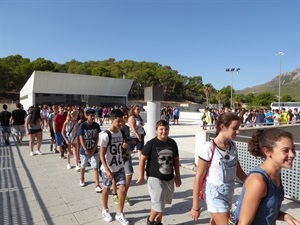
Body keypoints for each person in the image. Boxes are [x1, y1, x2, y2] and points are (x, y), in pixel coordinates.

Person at [232, 128, 300, 225]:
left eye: (293, 149)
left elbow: (265, 212)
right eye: (286, 150)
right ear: (267, 151)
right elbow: (243, 223)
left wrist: (285, 216)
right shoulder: (258, 181)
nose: (292, 154)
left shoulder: (275, 176)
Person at [190, 112, 247, 225]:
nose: (238, 131)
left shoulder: (233, 146)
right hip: (214, 195)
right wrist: (195, 206)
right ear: (222, 127)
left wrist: (253, 184)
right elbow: (198, 177)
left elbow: (238, 171)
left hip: (228, 193)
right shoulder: (209, 148)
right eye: (234, 128)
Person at [137, 119, 182, 225]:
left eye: (166, 129)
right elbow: (142, 159)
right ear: (156, 130)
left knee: (163, 201)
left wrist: (178, 176)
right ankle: (150, 221)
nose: (164, 131)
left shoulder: (172, 143)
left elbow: (176, 160)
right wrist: (141, 176)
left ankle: (158, 222)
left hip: (169, 177)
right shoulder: (151, 143)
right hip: (154, 177)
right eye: (161, 129)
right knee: (159, 203)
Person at [99, 109, 129, 225]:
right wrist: (106, 170)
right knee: (106, 188)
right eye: (119, 121)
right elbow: (102, 154)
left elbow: (118, 150)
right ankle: (105, 209)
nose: (121, 123)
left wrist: (123, 147)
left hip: (119, 165)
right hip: (109, 167)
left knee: (122, 188)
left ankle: (120, 213)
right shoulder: (106, 135)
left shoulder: (120, 133)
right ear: (112, 120)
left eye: (122, 121)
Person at [111, 109, 134, 206]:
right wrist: (121, 145)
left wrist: (131, 141)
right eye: (122, 117)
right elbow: (112, 143)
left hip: (126, 155)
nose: (124, 119)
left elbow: (127, 139)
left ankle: (124, 193)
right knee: (114, 175)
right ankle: (115, 194)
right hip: (116, 156)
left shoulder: (127, 128)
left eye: (125, 117)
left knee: (129, 174)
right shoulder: (117, 128)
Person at [78, 108, 102, 192]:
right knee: (83, 166)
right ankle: (82, 178)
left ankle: (97, 185)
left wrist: (94, 148)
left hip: (94, 150)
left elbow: (97, 138)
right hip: (84, 151)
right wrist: (85, 149)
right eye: (91, 116)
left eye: (94, 115)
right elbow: (81, 138)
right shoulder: (82, 125)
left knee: (95, 167)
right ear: (86, 116)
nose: (93, 117)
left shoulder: (96, 125)